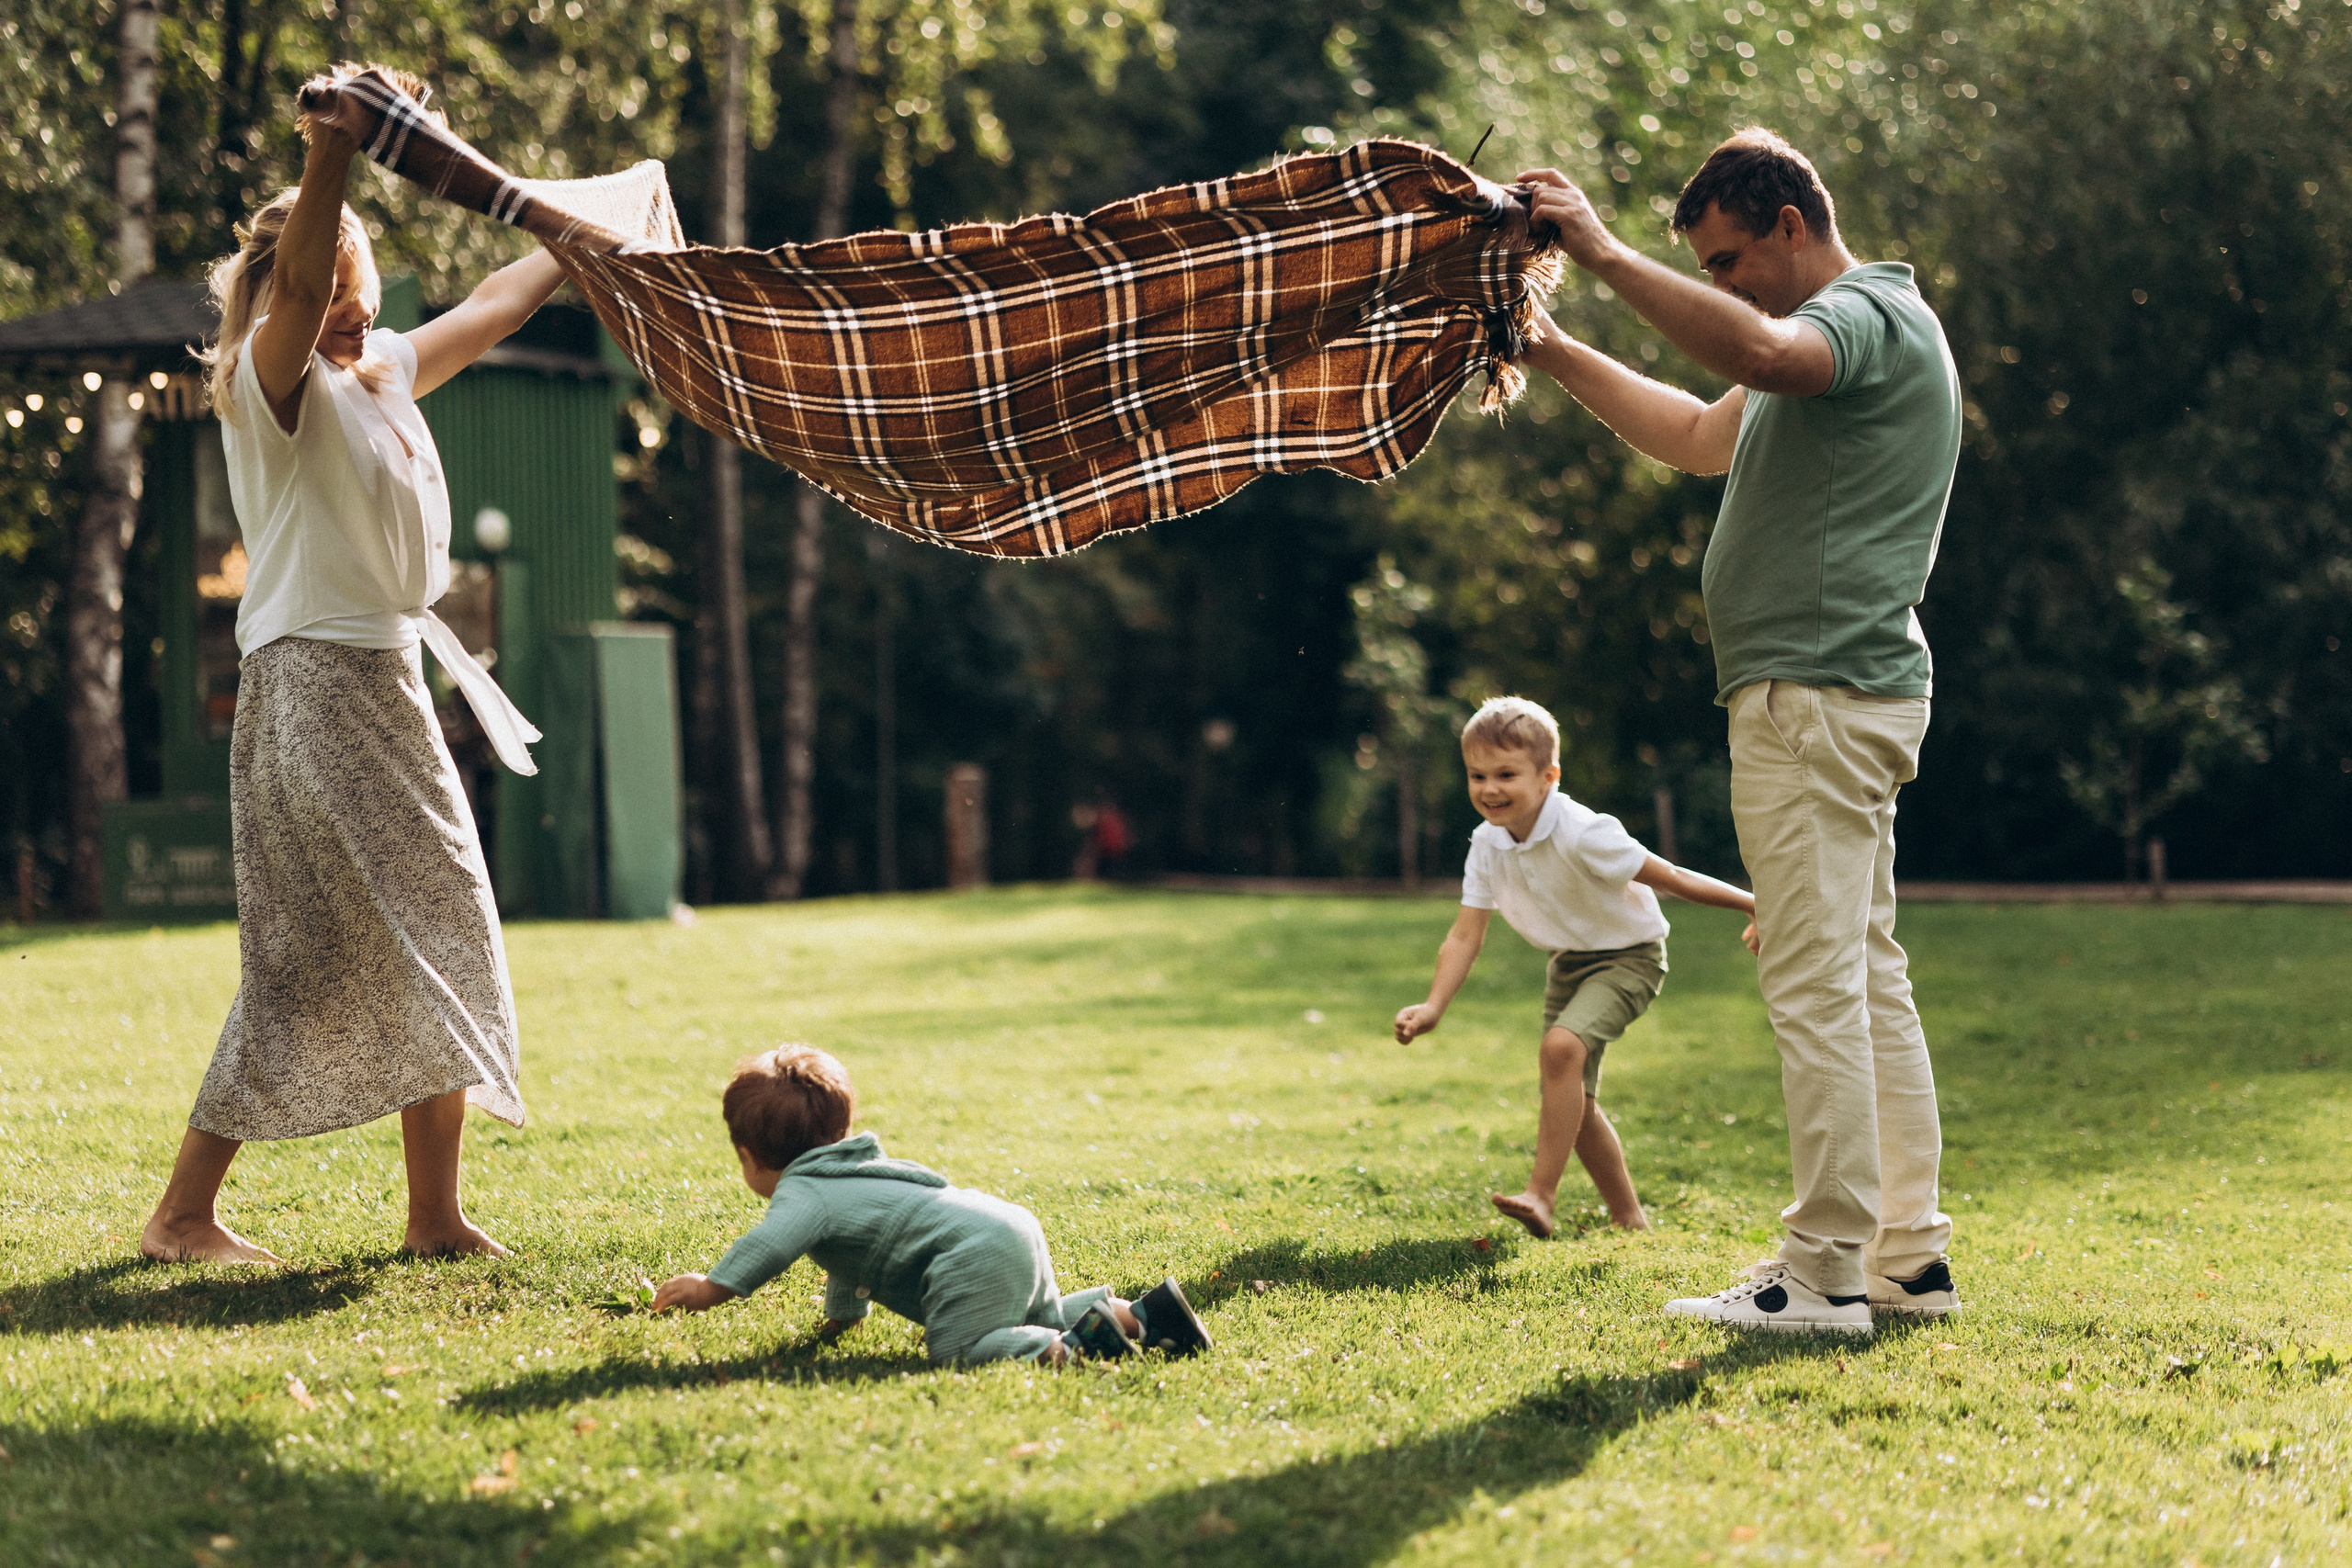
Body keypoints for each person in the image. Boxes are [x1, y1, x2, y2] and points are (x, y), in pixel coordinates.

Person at [1513, 129, 1964, 1332]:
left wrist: (1599, 251)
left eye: (1725, 260)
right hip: (1828, 694)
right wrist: (1552, 351)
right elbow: (1699, 436)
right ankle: (1907, 1260)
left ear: (1788, 222)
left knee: (1822, 989)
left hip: (1813, 698)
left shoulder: (1863, 318)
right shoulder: (1827, 352)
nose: (1722, 287)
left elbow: (1763, 349)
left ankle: (1822, 1273)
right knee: (1865, 984)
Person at [140, 69, 567, 1265]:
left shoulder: (379, 376)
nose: (351, 320)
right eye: (333, 300)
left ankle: (428, 1213)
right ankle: (183, 1214)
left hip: (384, 685)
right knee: (371, 940)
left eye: (364, 304)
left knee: (395, 939)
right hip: (314, 689)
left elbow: (491, 300)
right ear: (290, 295)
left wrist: (584, 242)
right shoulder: (266, 387)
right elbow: (305, 279)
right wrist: (333, 149)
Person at [1394, 697, 1758, 1240]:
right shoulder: (1487, 844)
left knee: (1561, 1051)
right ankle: (1629, 1218)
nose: (1489, 789)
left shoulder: (1584, 831)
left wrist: (1756, 904)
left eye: (1506, 774)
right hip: (1568, 964)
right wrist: (1434, 1005)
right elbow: (1466, 932)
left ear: (1548, 777)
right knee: (1574, 1100)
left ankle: (1541, 1195)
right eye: (1477, 775)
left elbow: (1673, 877)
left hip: (1630, 957)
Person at [652, 1046, 1213, 1367]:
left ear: (750, 1157)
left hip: (969, 1252)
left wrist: (711, 1288)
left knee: (961, 1348)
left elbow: (771, 1245)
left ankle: (1079, 1350)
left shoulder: (803, 1193)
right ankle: (1142, 1316)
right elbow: (851, 1255)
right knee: (1029, 1316)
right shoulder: (850, 1168)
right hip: (1006, 1224)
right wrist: (842, 1320)